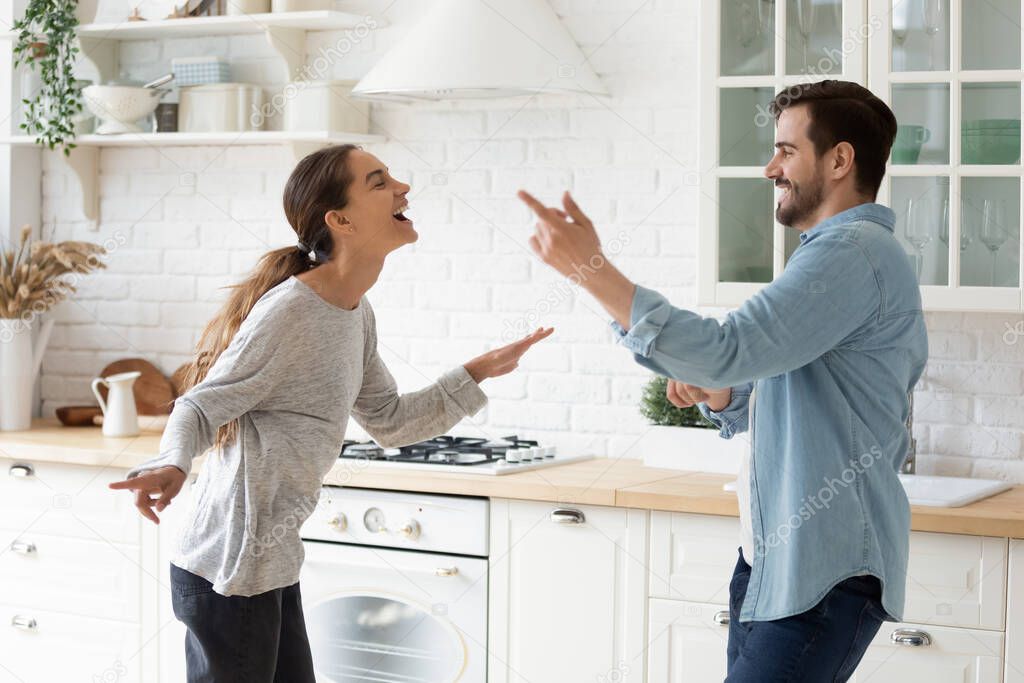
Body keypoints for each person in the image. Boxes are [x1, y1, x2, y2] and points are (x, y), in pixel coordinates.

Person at [519, 80, 928, 682]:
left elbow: (726, 349)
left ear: (840, 160)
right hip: (773, 562)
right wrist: (726, 396)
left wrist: (592, 270)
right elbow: (787, 390)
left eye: (787, 150)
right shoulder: (834, 252)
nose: (771, 168)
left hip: (820, 572)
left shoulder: (852, 253)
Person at [109, 144, 552, 683]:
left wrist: (475, 372)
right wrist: (173, 463)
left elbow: (390, 421)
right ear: (339, 220)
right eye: (379, 181)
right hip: (229, 568)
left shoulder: (353, 310)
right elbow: (200, 405)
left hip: (268, 563)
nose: (402, 188)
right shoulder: (293, 310)